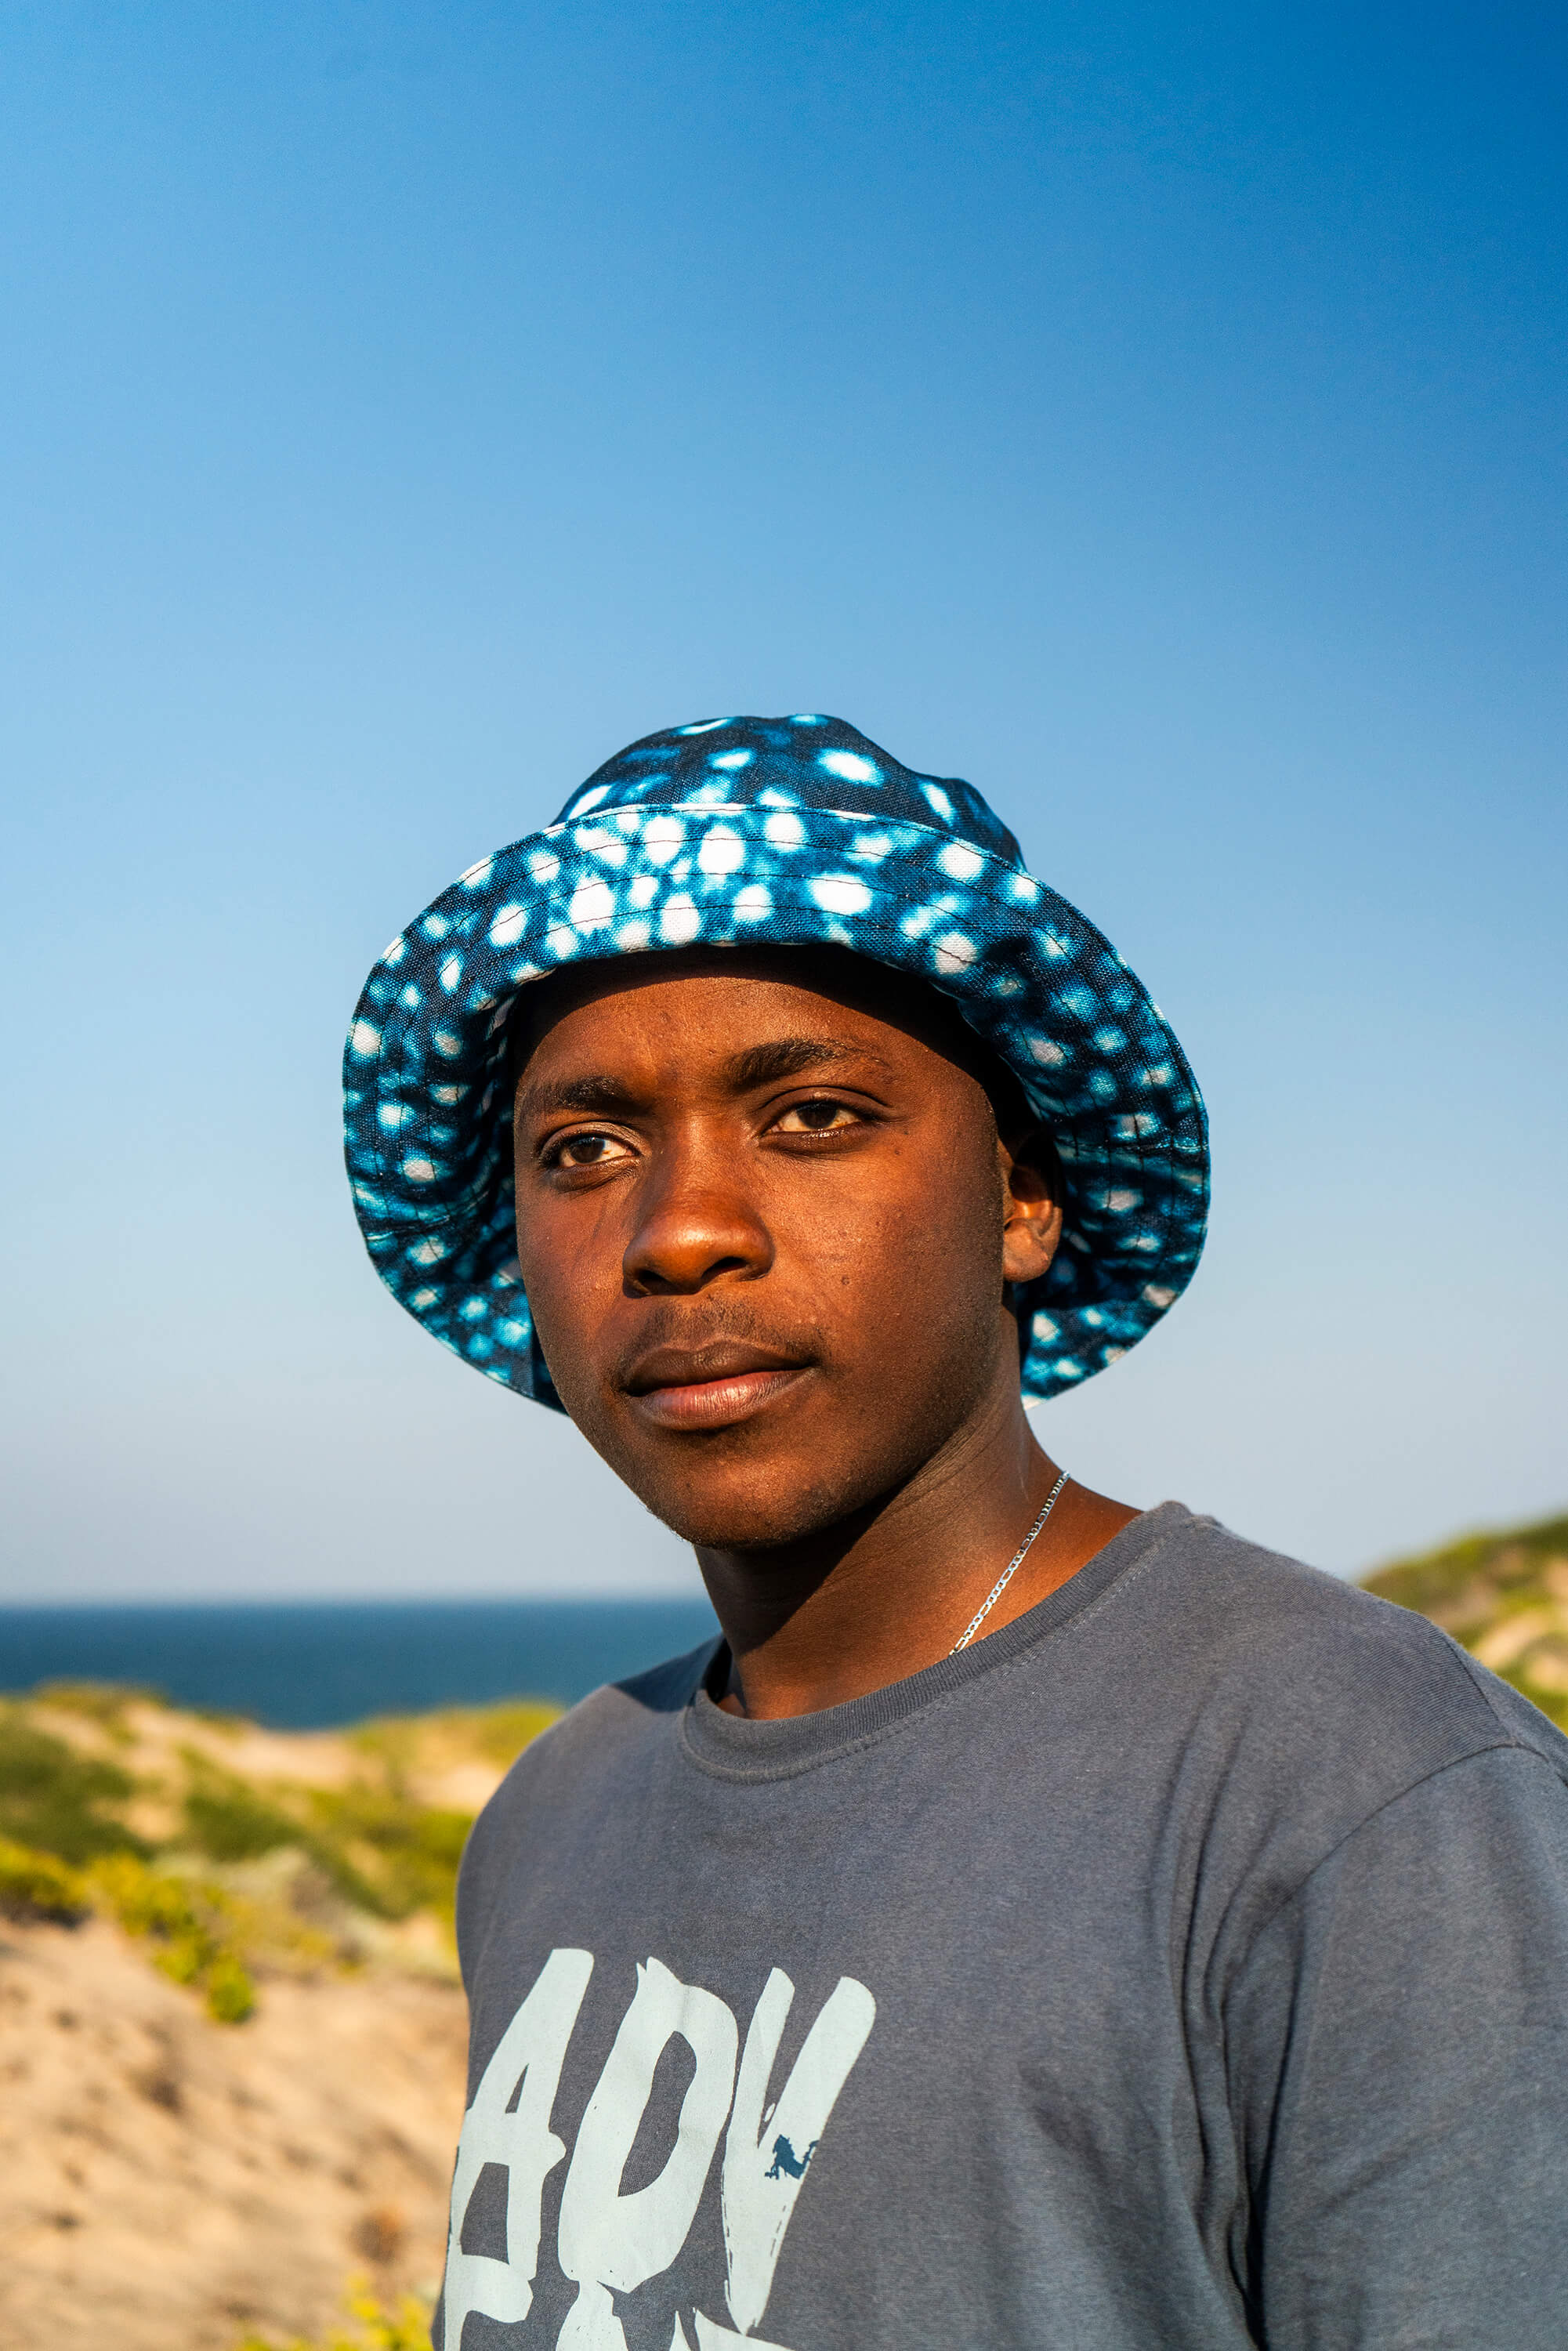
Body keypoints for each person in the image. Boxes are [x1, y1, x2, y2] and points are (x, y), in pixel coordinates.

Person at [344, 715, 1568, 2351]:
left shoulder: (1347, 1792)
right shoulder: (557, 1809)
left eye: (813, 1117)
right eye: (584, 1149)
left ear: (1018, 1192)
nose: (680, 1230)